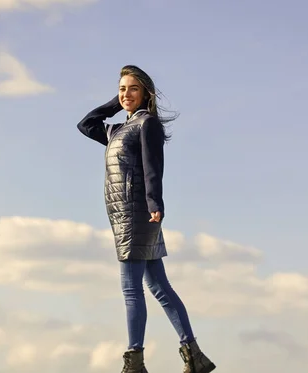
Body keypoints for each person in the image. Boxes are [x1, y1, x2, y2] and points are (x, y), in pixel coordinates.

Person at [76, 65, 216, 373]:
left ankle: (134, 362)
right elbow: (86, 124)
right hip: (123, 213)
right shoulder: (116, 130)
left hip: (137, 213)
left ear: (146, 94)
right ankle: (195, 357)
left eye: (133, 89)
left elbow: (153, 166)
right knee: (159, 286)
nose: (126, 94)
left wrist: (155, 203)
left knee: (131, 288)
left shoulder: (146, 124)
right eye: (122, 88)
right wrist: (118, 102)